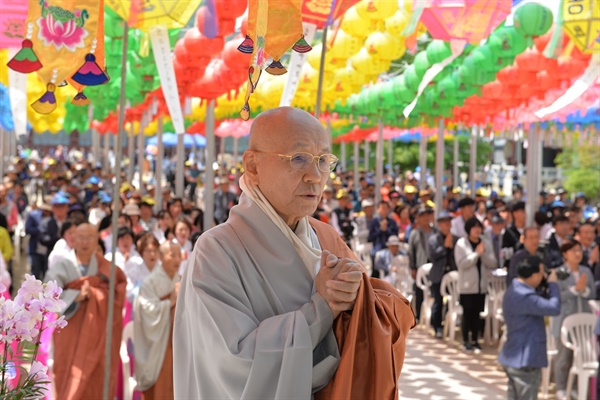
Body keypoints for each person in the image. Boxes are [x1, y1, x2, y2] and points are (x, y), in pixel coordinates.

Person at [173, 107, 413, 399]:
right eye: (299, 159)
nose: (315, 176)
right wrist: (322, 308)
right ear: (253, 166)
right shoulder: (216, 251)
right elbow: (235, 364)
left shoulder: (326, 238)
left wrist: (358, 298)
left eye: (324, 161)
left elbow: (367, 333)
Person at [44, 223, 127, 399]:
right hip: (69, 330)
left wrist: (96, 294)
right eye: (80, 237)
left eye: (89, 237)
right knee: (67, 371)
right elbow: (48, 294)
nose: (85, 242)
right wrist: (75, 295)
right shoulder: (63, 266)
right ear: (73, 240)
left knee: (96, 375)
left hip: (98, 333)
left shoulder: (106, 268)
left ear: (96, 239)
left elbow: (119, 288)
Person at [498, 256, 561, 400]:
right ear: (532, 275)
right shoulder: (525, 296)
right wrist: (553, 285)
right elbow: (554, 308)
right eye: (540, 273)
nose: (543, 276)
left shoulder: (514, 289)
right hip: (525, 359)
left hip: (514, 355)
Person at [134, 240, 181, 399]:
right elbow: (147, 311)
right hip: (160, 342)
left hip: (178, 342)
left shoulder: (182, 280)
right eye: (172, 255)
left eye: (179, 255)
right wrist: (171, 302)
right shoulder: (150, 283)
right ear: (161, 257)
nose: (176, 260)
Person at [552, 240, 596, 400]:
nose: (578, 254)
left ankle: (576, 387)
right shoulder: (558, 272)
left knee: (581, 356)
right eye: (573, 251)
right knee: (563, 357)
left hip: (583, 321)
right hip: (564, 319)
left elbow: (592, 295)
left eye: (579, 250)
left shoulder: (586, 271)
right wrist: (574, 290)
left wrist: (584, 291)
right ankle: (561, 387)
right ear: (565, 254)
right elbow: (556, 297)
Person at [455, 217, 497, 351]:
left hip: (481, 285)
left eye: (479, 227)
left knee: (477, 313)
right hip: (467, 286)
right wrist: (476, 254)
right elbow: (462, 264)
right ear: (468, 229)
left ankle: (475, 340)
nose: (477, 230)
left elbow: (493, 263)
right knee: (467, 313)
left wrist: (482, 254)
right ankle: (466, 340)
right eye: (474, 227)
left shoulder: (485, 243)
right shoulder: (461, 244)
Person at [428, 211, 458, 338]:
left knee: (452, 301)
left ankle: (449, 324)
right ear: (439, 224)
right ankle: (437, 327)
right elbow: (433, 256)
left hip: (452, 275)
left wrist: (451, 247)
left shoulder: (456, 239)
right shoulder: (434, 239)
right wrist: (445, 247)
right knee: (438, 301)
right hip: (438, 275)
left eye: (449, 221)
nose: (447, 224)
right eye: (444, 222)